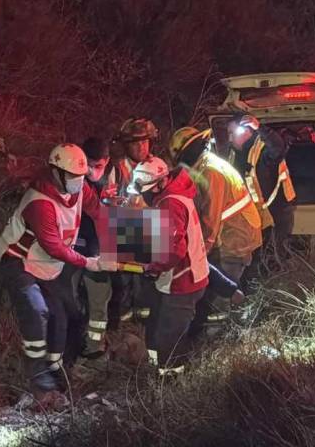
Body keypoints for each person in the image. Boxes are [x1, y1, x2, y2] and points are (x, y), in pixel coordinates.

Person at [0, 144, 114, 400]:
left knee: (66, 314)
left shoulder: (79, 188)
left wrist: (130, 237)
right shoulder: (40, 202)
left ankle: (56, 368)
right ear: (56, 173)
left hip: (49, 266)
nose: (78, 182)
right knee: (37, 312)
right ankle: (38, 379)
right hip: (20, 262)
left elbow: (99, 213)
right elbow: (55, 247)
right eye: (72, 177)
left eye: (82, 177)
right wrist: (90, 262)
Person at [170, 126, 262, 324]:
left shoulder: (210, 172)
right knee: (219, 291)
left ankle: (218, 336)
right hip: (234, 236)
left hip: (234, 240)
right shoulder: (206, 166)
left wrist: (197, 253)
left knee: (219, 299)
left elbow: (210, 221)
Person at [127, 157, 208, 377]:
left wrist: (153, 267)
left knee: (169, 337)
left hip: (182, 280)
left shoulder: (170, 203)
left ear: (160, 184)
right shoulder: (173, 194)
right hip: (185, 275)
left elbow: (174, 250)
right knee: (161, 326)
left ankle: (170, 380)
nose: (144, 196)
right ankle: (156, 368)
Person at [225, 113, 297, 269]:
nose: (230, 139)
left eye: (232, 133)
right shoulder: (234, 153)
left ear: (246, 131)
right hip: (254, 213)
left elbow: (278, 147)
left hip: (277, 210)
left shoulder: (263, 149)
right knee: (259, 256)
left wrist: (260, 127)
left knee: (276, 255)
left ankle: (280, 285)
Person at [72, 137, 118, 378]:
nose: (92, 170)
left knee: (98, 304)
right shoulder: (73, 177)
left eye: (97, 165)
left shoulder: (117, 177)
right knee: (70, 300)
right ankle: (73, 345)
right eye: (88, 164)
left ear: (107, 161)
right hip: (73, 250)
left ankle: (95, 351)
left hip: (101, 252)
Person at [112, 117, 159, 322]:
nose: (141, 146)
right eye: (135, 142)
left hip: (152, 227)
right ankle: (124, 323)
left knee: (147, 280)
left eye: (145, 141)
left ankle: (144, 322)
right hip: (124, 229)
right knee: (123, 281)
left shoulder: (158, 166)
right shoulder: (118, 169)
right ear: (126, 145)